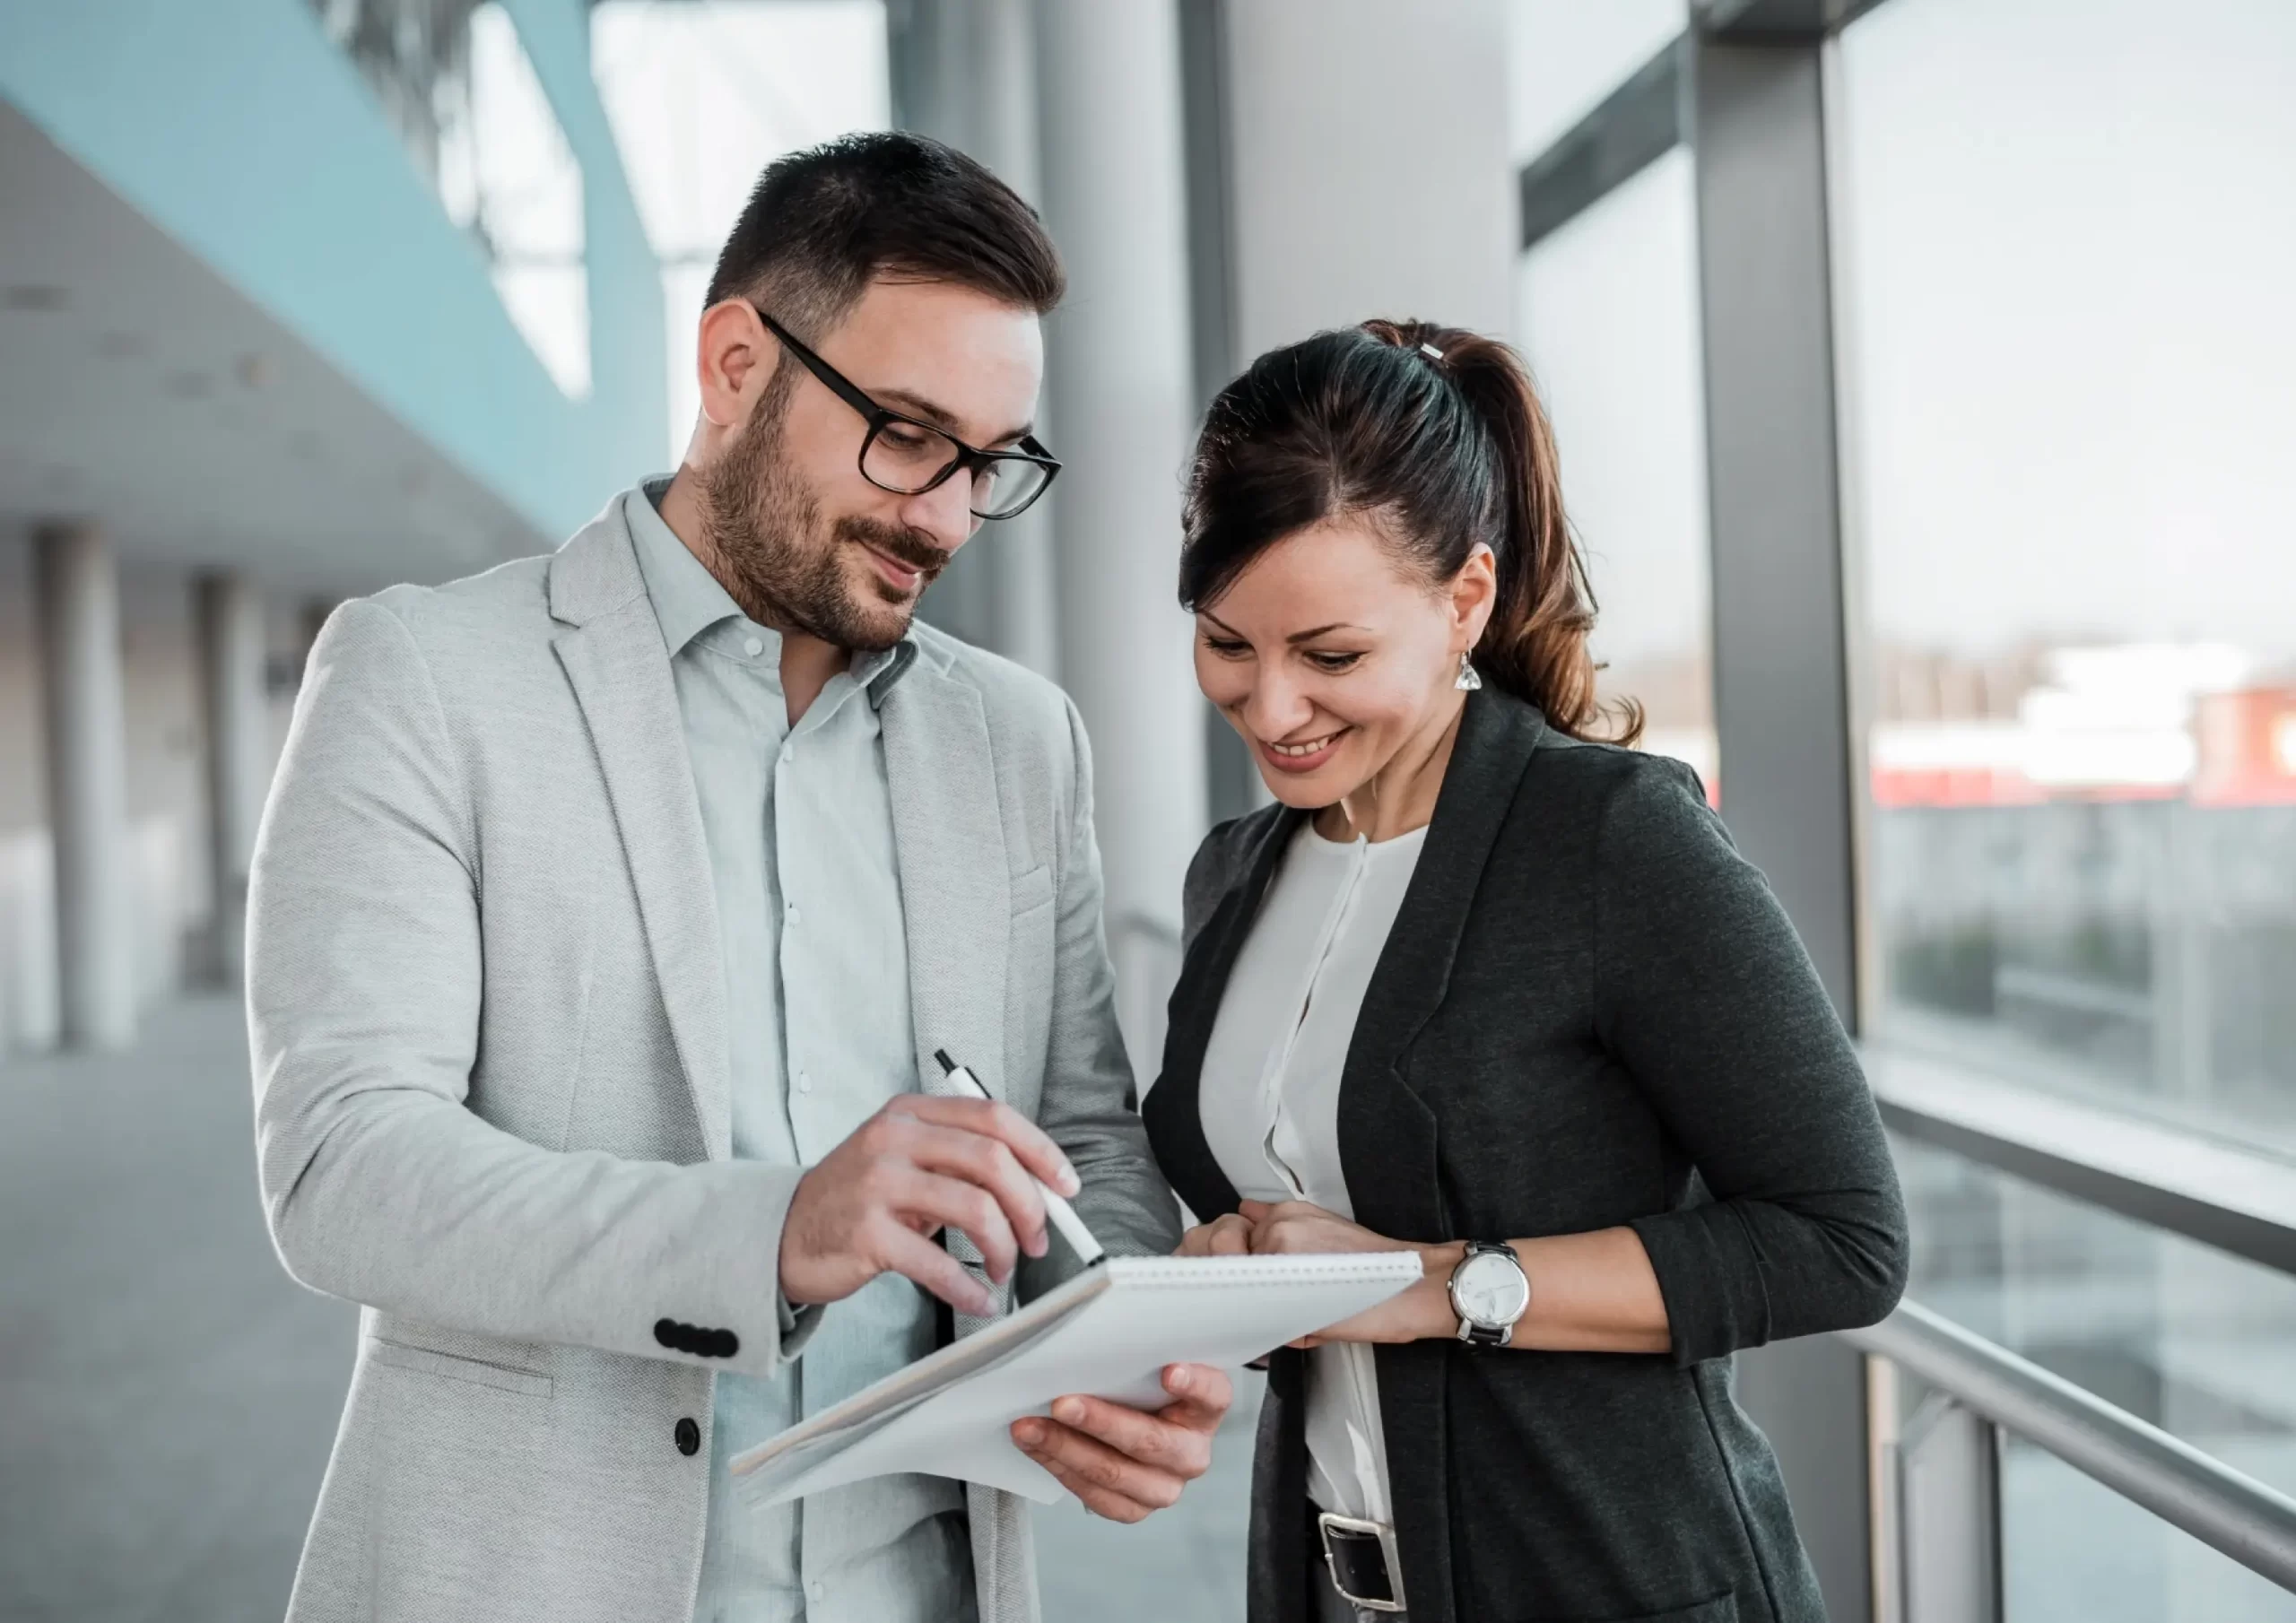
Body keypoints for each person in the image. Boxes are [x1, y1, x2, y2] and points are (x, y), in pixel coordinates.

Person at [248, 132, 1230, 1623]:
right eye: (906, 434)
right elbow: (343, 1167)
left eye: (988, 463)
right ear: (732, 366)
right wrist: (772, 1231)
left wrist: (1118, 1347)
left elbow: (1084, 1139)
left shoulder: (1022, 742)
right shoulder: (426, 675)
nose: (947, 515)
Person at [1143, 319, 1909, 1623]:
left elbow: (1844, 1239)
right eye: (1229, 642)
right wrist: (1242, 1273)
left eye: (1331, 655)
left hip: (1615, 1584)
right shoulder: (1234, 874)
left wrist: (1430, 1283)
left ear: (1466, 601)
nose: (1273, 709)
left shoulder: (1609, 840)